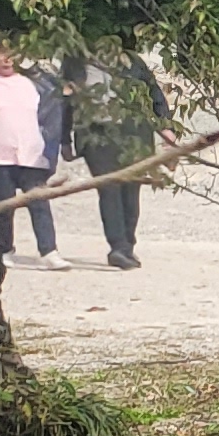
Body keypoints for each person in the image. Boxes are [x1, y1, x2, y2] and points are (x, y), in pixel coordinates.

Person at [0, 36, 65, 271]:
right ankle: (4, 249)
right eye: (1, 52)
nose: (7, 58)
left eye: (12, 52)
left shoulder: (31, 82)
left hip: (31, 153)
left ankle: (49, 250)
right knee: (3, 205)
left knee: (39, 203)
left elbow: (49, 115)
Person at [66, 49, 167, 270]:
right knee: (109, 188)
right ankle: (118, 246)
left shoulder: (131, 61)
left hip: (134, 133)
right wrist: (64, 139)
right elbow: (65, 102)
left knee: (131, 191)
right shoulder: (74, 61)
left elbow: (153, 91)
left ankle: (128, 243)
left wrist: (165, 124)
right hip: (97, 136)